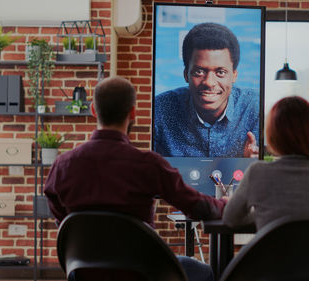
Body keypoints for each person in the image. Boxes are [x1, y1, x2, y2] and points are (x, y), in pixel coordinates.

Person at [44, 77, 226, 281]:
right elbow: (197, 206)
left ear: (94, 111)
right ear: (132, 114)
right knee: (205, 272)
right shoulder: (148, 165)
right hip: (142, 273)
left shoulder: (62, 166)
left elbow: (64, 222)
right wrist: (225, 205)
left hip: (84, 273)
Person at [222, 96, 309, 230]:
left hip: (270, 251)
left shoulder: (257, 173)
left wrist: (262, 215)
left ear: (273, 134)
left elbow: (230, 218)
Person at [154, 22, 259, 158]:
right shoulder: (160, 110)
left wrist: (252, 163)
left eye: (220, 72)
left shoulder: (255, 108)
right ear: (186, 75)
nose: (209, 83)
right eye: (199, 72)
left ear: (234, 75)